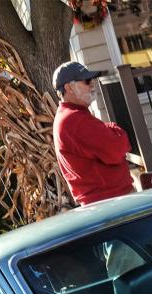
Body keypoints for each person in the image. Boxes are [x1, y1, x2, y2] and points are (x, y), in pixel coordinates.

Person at [52, 61, 134, 206]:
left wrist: (107, 128)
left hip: (107, 202)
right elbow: (116, 149)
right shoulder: (74, 120)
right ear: (68, 87)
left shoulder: (71, 116)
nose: (92, 84)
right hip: (111, 204)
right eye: (86, 81)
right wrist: (115, 129)